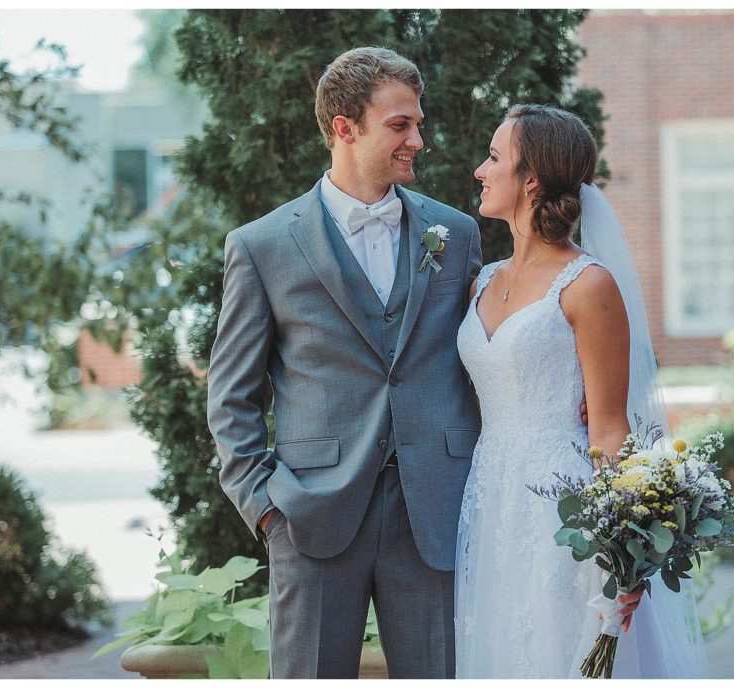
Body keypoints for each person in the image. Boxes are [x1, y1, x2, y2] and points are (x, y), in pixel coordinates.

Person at [206, 47, 482, 679]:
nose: (419, 139)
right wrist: (266, 506)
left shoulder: (456, 233)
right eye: (400, 125)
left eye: (418, 123)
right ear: (344, 128)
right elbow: (232, 396)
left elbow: (483, 354)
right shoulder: (262, 246)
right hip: (312, 513)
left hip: (434, 510)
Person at [454, 104, 708, 678]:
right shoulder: (481, 280)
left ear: (532, 180)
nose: (480, 170)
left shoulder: (588, 285)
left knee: (557, 648)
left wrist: (625, 556)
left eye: (495, 158)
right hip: (488, 494)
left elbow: (611, 426)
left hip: (562, 502)